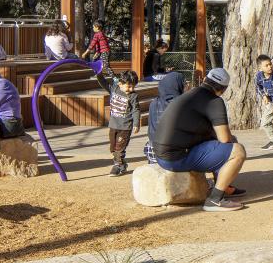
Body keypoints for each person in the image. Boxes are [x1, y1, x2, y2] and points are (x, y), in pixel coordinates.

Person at [151, 67, 247, 212]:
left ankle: (224, 186)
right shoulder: (214, 101)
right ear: (224, 89)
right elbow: (224, 138)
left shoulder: (190, 94)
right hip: (176, 158)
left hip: (162, 154)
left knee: (225, 145)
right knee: (237, 151)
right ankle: (215, 199)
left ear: (204, 80)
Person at [99, 69, 142, 175]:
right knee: (113, 147)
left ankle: (117, 166)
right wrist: (98, 73)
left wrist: (136, 124)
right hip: (113, 124)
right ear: (120, 84)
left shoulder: (133, 96)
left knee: (120, 148)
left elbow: (136, 110)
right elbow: (103, 83)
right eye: (128, 86)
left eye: (133, 86)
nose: (131, 89)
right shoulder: (114, 89)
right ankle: (122, 165)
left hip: (125, 127)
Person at [144, 70, 185, 164]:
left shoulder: (154, 103)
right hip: (173, 152)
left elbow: (151, 127)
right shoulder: (182, 104)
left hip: (153, 149)